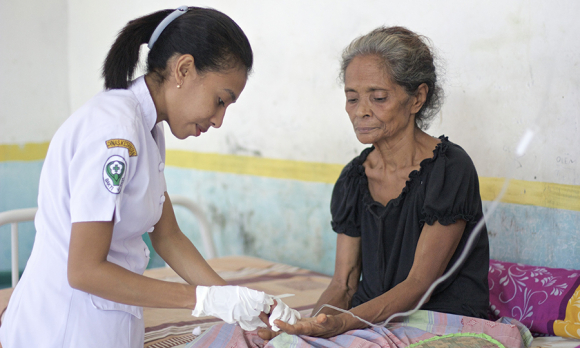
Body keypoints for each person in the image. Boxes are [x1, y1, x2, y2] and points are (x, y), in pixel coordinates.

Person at [0, 7, 297, 348]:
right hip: (64, 330)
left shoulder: (147, 130)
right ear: (183, 69)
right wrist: (203, 299)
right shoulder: (116, 133)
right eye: (219, 101)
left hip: (105, 325)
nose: (219, 120)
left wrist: (236, 301)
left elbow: (168, 235)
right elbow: (84, 270)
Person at [260, 26, 489, 339]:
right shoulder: (353, 179)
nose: (361, 111)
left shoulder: (449, 169)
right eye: (352, 98)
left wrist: (344, 323)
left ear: (417, 98)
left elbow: (419, 285)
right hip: (369, 317)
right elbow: (344, 283)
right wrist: (306, 328)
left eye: (378, 97)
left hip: (438, 318)